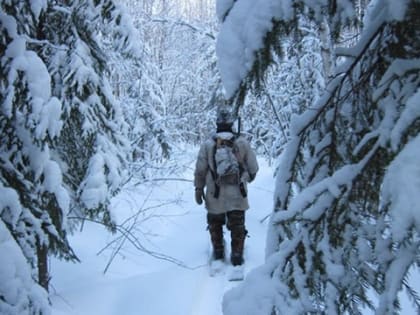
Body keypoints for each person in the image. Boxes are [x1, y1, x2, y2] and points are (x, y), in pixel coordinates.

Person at [194, 107, 258, 266]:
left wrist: (198, 188)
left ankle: (218, 252)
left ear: (217, 123)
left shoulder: (208, 144)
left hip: (214, 195)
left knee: (215, 224)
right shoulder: (242, 142)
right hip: (237, 195)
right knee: (237, 227)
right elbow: (253, 168)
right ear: (232, 123)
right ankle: (237, 256)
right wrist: (246, 179)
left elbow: (200, 170)